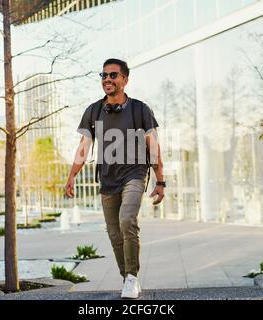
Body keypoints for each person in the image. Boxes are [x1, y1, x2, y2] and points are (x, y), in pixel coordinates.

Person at [64, 58, 165, 299]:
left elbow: (153, 146)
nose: (107, 79)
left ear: (125, 79)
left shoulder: (140, 109)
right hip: (107, 180)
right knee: (114, 234)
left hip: (134, 174)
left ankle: (132, 276)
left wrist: (160, 180)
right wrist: (71, 176)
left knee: (127, 219)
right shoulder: (94, 111)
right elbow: (84, 146)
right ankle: (127, 279)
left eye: (113, 75)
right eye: (104, 75)